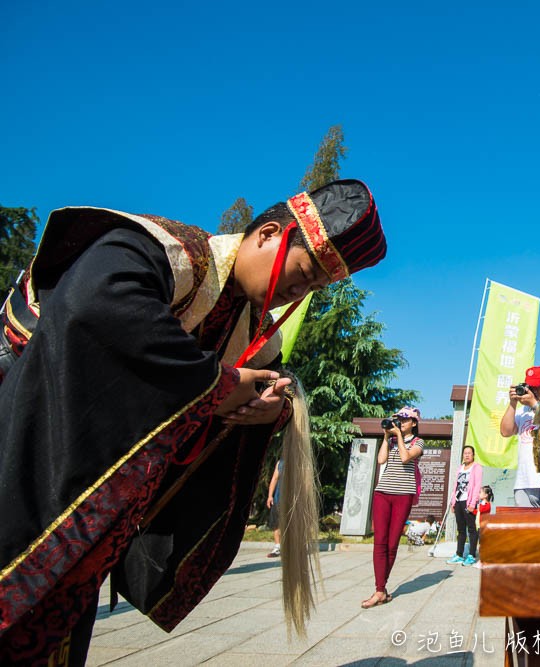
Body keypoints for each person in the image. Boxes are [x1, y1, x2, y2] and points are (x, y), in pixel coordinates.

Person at [0, 180, 386, 664]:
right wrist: (220, 386)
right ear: (268, 234)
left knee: (55, 635)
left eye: (314, 287)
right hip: (27, 459)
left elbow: (260, 383)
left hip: (94, 529)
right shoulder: (165, 250)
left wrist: (272, 408)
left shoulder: (254, 331)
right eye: (304, 272)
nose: (300, 291)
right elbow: (96, 309)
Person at [365, 406, 424, 608]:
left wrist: (398, 436)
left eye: (405, 420)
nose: (401, 422)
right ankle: (379, 590)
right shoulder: (390, 440)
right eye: (398, 419)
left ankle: (381, 588)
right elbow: (381, 460)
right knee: (379, 542)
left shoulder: (418, 442)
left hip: (403, 495)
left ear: (414, 423)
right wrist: (385, 437)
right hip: (383, 493)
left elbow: (406, 457)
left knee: (392, 544)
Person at [500, 366, 540, 507]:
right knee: (525, 528)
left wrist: (534, 404)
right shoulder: (522, 411)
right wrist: (513, 403)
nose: (533, 391)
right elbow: (505, 431)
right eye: (531, 387)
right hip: (524, 481)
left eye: (537, 386)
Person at [447, 445, 483, 566]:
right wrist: (453, 502)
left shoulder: (477, 468)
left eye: (469, 453)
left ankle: (472, 555)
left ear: (473, 455)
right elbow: (455, 486)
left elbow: (477, 486)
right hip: (459, 501)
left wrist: (473, 503)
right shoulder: (460, 468)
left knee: (472, 529)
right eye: (465, 453)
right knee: (461, 530)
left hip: (469, 502)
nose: (467, 455)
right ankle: (459, 554)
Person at [266, 459, 284, 557]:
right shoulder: (280, 462)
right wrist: (270, 496)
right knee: (276, 524)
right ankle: (277, 547)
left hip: (293, 501)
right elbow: (274, 479)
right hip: (278, 499)